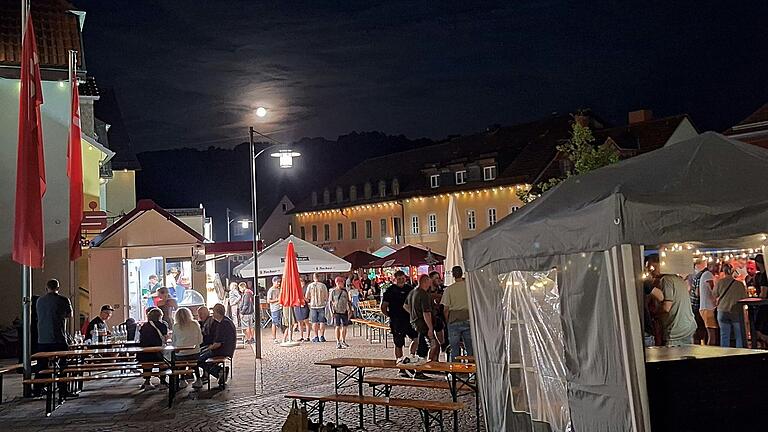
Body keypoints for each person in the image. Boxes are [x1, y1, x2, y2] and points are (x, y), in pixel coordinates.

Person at [35, 279, 76, 398]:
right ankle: (63, 390)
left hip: (42, 339)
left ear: (46, 288)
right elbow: (70, 315)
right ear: (58, 288)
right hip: (59, 338)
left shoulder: (39, 301)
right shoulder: (63, 300)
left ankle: (38, 388)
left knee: (42, 364)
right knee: (63, 365)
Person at [647, 254, 696, 346]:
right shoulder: (679, 279)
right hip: (688, 326)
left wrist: (654, 314)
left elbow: (666, 307)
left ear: (661, 264)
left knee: (674, 358)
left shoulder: (666, 280)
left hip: (676, 330)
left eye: (652, 266)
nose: (650, 270)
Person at [382, 270, 421, 375]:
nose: (401, 280)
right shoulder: (390, 291)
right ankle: (401, 366)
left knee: (416, 338)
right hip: (397, 321)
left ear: (405, 278)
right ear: (394, 279)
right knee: (399, 343)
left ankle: (411, 359)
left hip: (410, 320)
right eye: (398, 279)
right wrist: (390, 315)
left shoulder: (410, 289)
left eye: (402, 278)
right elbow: (383, 306)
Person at [195, 304, 236, 389]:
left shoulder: (222, 324)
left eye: (213, 312)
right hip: (226, 348)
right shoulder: (226, 321)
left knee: (198, 359)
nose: (212, 314)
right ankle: (219, 372)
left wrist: (208, 348)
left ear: (217, 313)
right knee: (200, 354)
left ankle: (218, 371)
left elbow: (217, 344)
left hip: (222, 350)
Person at [441, 267, 474, 361]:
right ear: (462, 273)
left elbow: (446, 309)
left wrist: (448, 321)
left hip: (454, 319)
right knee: (470, 347)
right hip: (468, 318)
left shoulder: (449, 289)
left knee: (454, 348)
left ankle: (456, 370)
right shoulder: (469, 288)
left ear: (453, 275)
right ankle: (471, 369)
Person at [407, 274, 440, 362]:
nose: (430, 283)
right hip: (423, 324)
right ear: (425, 282)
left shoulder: (413, 292)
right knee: (433, 345)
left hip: (415, 322)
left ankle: (416, 360)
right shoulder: (423, 294)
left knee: (418, 343)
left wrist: (414, 313)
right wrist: (430, 328)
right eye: (429, 281)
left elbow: (405, 306)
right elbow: (426, 313)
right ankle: (428, 364)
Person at [715, 263, 747, 348]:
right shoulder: (739, 284)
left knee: (724, 335)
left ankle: (725, 356)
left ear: (723, 271)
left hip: (722, 310)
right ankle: (739, 355)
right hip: (736, 311)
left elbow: (714, 294)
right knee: (739, 335)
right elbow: (745, 297)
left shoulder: (720, 282)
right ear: (733, 271)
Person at [138, 307, 169, 390]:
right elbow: (165, 339)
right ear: (160, 316)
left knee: (147, 362)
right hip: (157, 353)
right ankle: (162, 381)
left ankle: (147, 381)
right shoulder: (163, 325)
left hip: (144, 353)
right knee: (164, 361)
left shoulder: (144, 325)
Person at [330, 276, 353, 349]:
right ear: (338, 283)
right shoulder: (333, 291)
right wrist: (331, 312)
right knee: (337, 326)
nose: (343, 284)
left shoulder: (345, 291)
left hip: (344, 310)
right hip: (336, 311)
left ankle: (343, 340)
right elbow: (330, 302)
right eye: (342, 282)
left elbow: (348, 301)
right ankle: (338, 341)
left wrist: (350, 309)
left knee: (345, 326)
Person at [306, 273, 329, 342]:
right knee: (322, 321)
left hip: (313, 306)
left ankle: (316, 336)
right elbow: (326, 296)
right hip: (321, 305)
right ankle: (322, 336)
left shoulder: (310, 286)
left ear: (313, 278)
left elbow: (307, 296)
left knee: (314, 322)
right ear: (319, 277)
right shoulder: (323, 285)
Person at [428, 271, 448, 353]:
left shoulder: (441, 289)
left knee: (443, 343)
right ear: (431, 279)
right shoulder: (426, 291)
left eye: (439, 278)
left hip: (440, 318)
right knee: (433, 345)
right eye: (436, 278)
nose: (438, 280)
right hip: (429, 319)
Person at [267, 276, 284, 344]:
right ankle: (274, 337)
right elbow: (268, 300)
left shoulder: (279, 289)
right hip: (275, 308)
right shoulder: (271, 290)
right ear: (274, 282)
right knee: (275, 322)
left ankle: (283, 336)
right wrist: (277, 300)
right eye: (277, 282)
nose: (279, 283)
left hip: (280, 307)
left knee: (281, 322)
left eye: (279, 282)